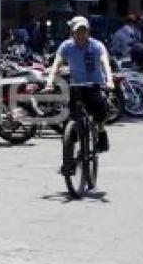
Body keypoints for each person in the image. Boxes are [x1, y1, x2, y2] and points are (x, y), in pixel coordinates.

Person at [44, 16, 115, 173]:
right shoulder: (66, 46)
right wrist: (49, 83)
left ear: (88, 31)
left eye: (84, 31)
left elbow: (105, 63)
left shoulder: (97, 46)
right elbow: (56, 64)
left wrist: (109, 80)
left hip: (95, 85)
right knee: (69, 124)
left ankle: (101, 132)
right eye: (78, 31)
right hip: (76, 86)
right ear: (72, 32)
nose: (82, 35)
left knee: (100, 110)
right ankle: (68, 161)